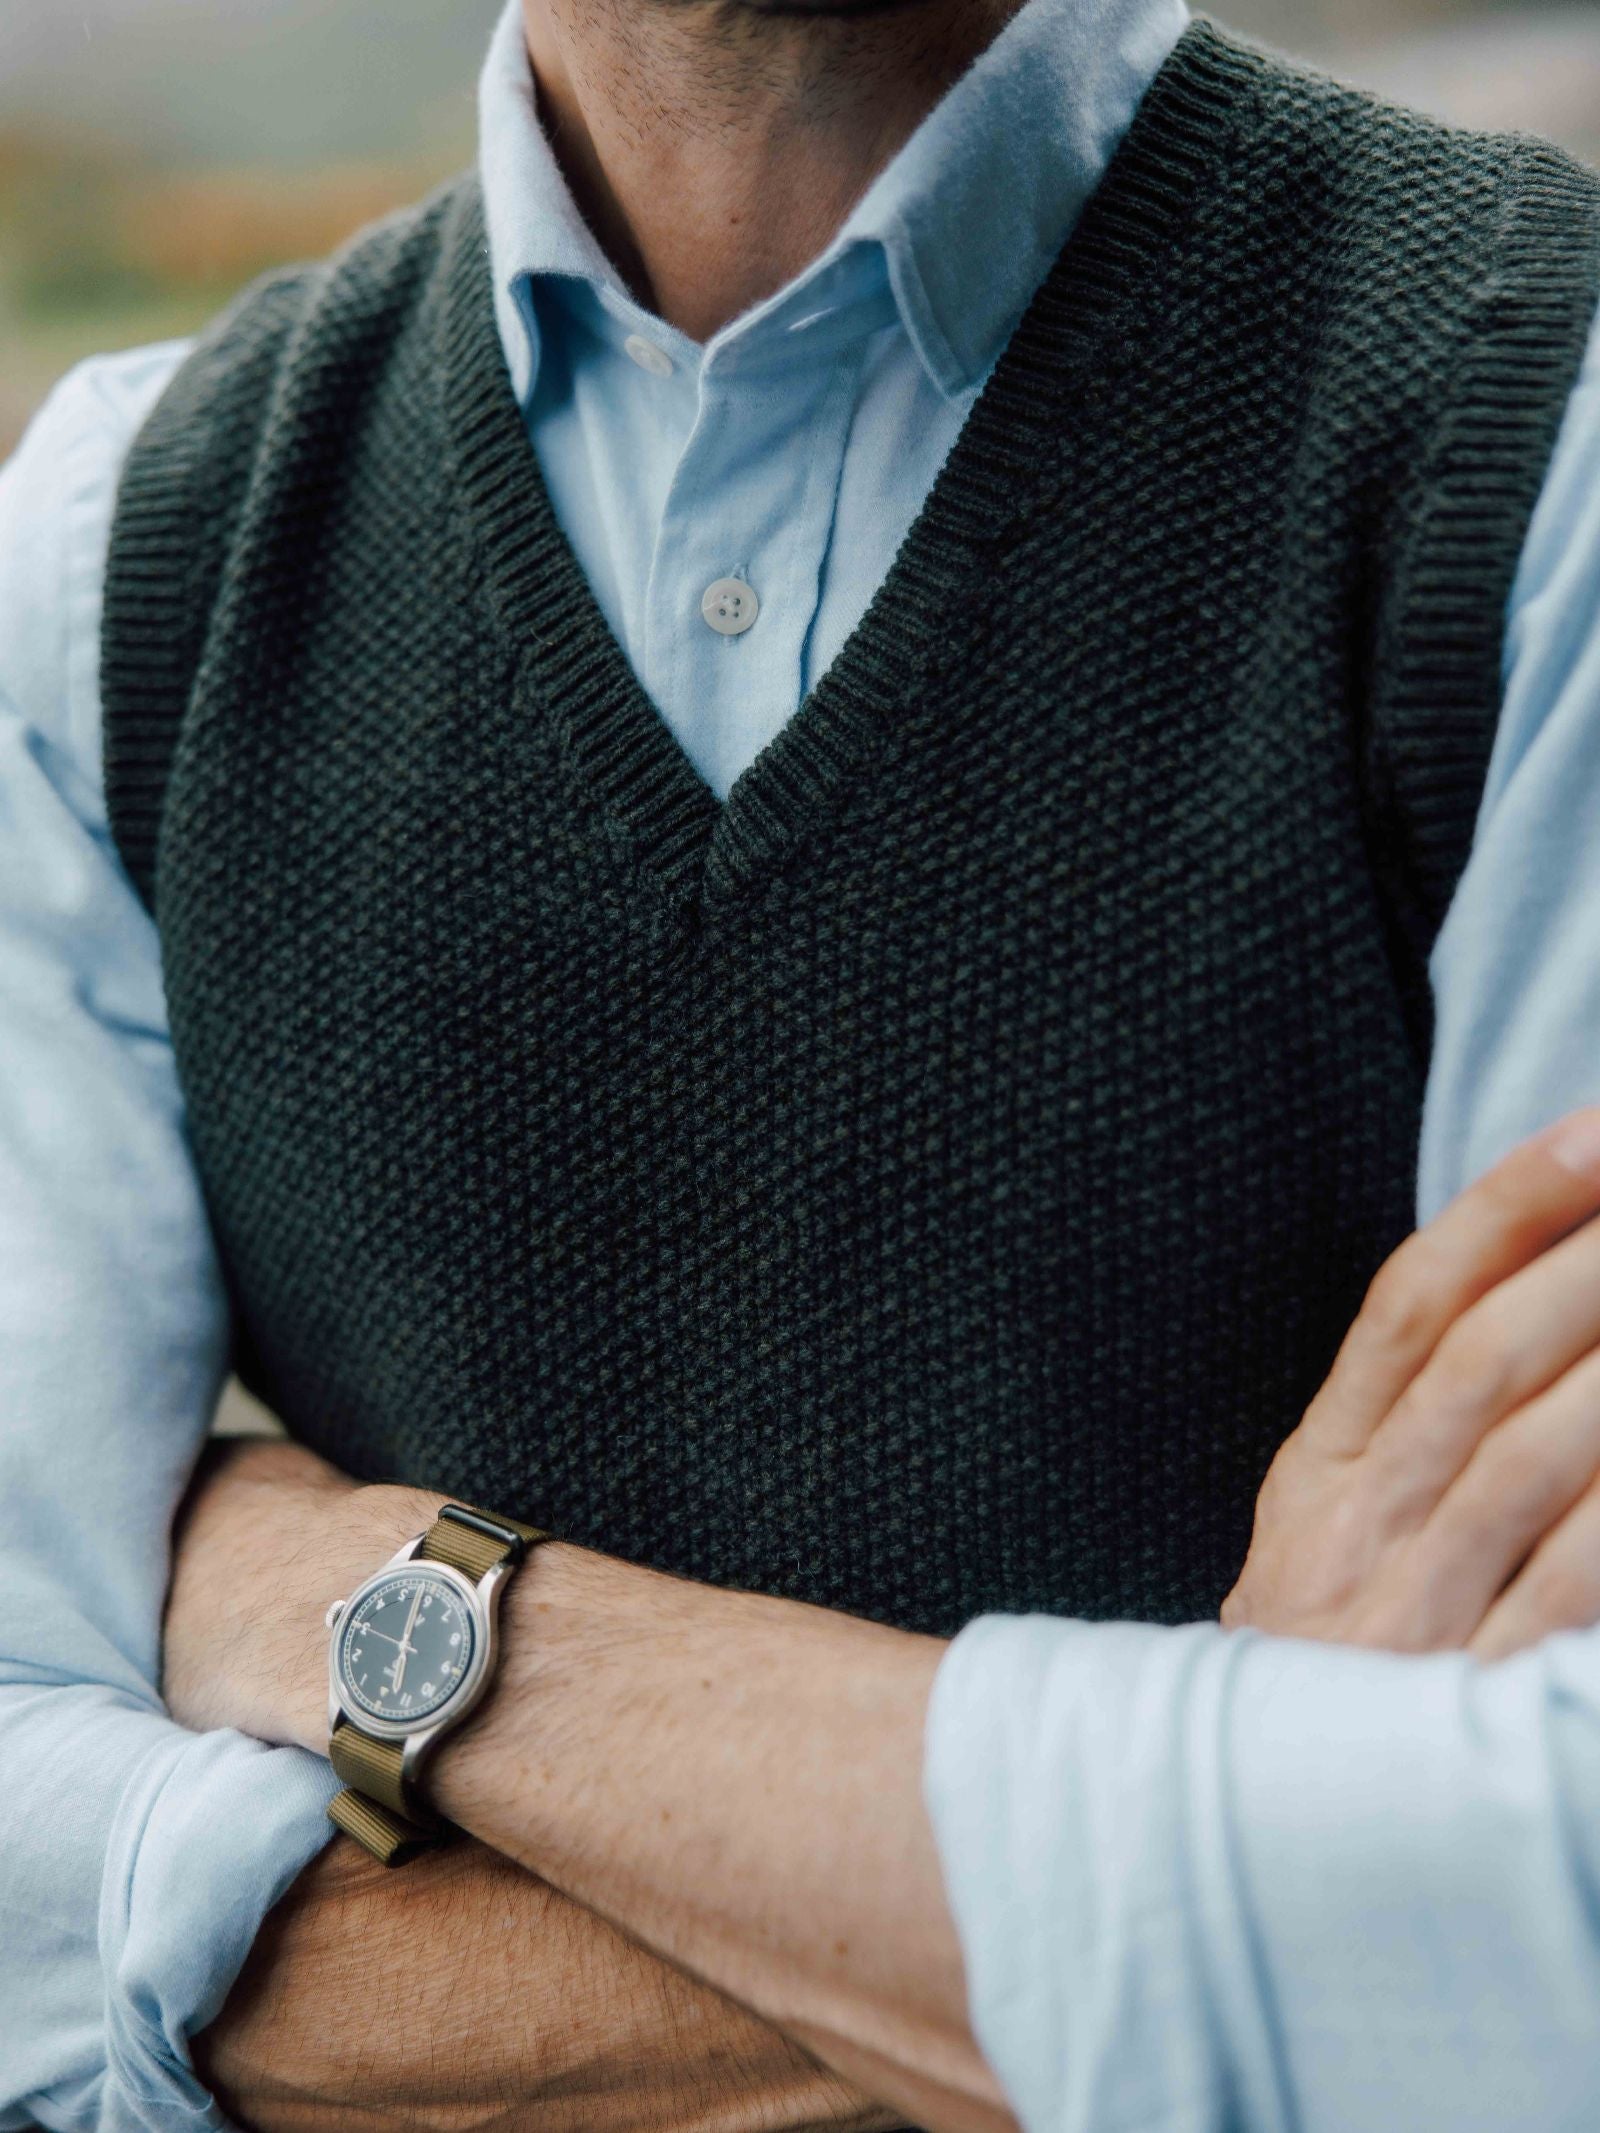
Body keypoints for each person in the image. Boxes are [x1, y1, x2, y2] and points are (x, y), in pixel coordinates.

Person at [4, 0, 1600, 2127]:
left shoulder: (1538, 429)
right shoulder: (116, 550)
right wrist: (1236, 1798)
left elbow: (1544, 1931)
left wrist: (398, 1619)